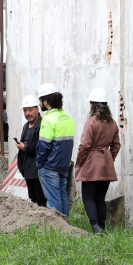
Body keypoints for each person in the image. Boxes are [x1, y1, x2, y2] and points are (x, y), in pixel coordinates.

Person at [74, 88, 120, 233]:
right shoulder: (112, 122)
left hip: (91, 164)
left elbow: (84, 145)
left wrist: (79, 162)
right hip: (106, 165)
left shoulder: (91, 121)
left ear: (92, 105)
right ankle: (102, 227)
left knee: (88, 197)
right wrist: (108, 158)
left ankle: (95, 226)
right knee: (100, 198)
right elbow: (116, 145)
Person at [35, 82, 76, 216]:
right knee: (62, 195)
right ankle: (66, 226)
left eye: (40, 100)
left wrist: (39, 164)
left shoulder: (47, 120)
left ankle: (57, 229)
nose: (39, 103)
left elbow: (44, 146)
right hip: (63, 165)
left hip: (49, 166)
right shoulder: (68, 118)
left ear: (46, 102)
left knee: (53, 200)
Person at [15, 94, 46, 207]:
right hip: (27, 169)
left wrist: (25, 148)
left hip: (38, 170)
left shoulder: (42, 125)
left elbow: (40, 146)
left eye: (30, 110)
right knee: (33, 198)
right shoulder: (25, 126)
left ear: (37, 109)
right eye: (25, 110)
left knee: (40, 199)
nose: (27, 113)